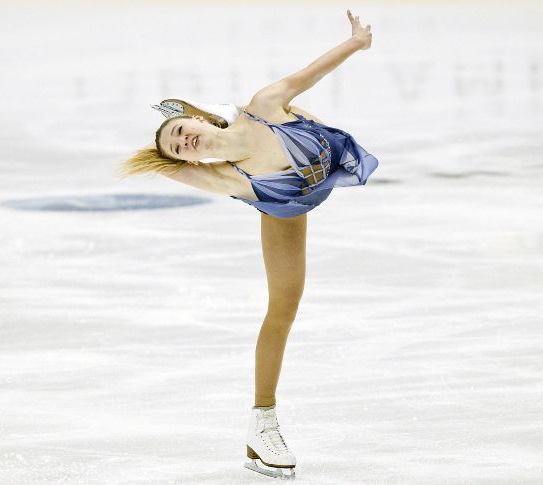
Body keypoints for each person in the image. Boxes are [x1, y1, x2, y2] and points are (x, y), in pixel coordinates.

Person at [117, 10, 375, 480]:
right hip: (285, 205)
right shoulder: (219, 176)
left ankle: (262, 425)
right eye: (177, 148)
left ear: (195, 119)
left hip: (317, 150)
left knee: (287, 305)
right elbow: (166, 164)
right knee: (282, 309)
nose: (183, 142)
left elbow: (310, 74)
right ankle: (263, 422)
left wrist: (356, 42)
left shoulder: (265, 105)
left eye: (179, 131)